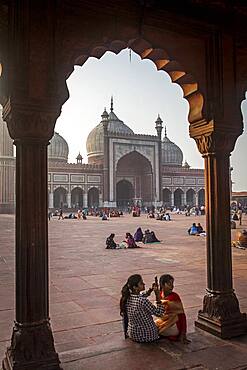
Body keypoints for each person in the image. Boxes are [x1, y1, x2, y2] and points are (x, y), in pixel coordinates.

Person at [120, 274, 165, 342]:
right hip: (148, 336)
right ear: (135, 287)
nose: (144, 284)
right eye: (141, 283)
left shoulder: (128, 297)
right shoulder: (142, 301)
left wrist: (151, 290)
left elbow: (142, 295)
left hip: (133, 334)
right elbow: (159, 313)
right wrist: (158, 296)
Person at [155, 274, 190, 344]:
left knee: (153, 330)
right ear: (162, 285)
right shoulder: (160, 294)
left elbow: (182, 316)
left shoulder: (174, 297)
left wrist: (183, 334)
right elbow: (159, 311)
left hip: (174, 324)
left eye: (172, 284)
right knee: (151, 326)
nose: (172, 286)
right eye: (169, 284)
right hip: (165, 321)